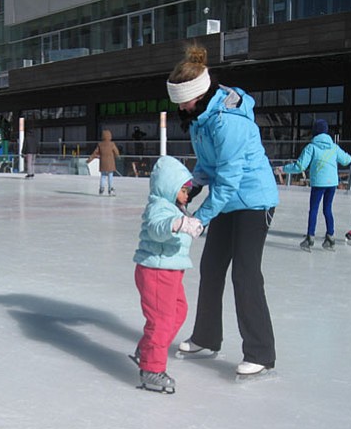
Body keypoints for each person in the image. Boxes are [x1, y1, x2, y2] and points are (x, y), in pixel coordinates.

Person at [167, 44, 279, 377]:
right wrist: (192, 186)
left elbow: (229, 181)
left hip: (253, 201)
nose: (180, 107)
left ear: (198, 94)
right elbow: (207, 164)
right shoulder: (201, 117)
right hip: (228, 201)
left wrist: (198, 219)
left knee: (245, 275)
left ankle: (260, 352)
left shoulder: (227, 122)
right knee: (211, 268)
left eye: (182, 101)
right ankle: (206, 337)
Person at [132, 156, 202, 393]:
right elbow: (157, 228)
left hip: (169, 271)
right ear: (169, 187)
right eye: (183, 190)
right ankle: (152, 368)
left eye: (188, 190)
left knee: (178, 311)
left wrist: (188, 223)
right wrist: (178, 224)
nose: (187, 195)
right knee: (161, 320)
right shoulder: (159, 206)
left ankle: (147, 349)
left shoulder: (173, 207)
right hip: (157, 271)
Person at [277, 119, 351, 251]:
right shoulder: (334, 147)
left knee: (314, 209)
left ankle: (310, 237)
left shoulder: (311, 147)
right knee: (327, 209)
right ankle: (330, 236)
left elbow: (300, 166)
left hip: (318, 183)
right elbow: (346, 160)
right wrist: (347, 156)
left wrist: (284, 169)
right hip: (332, 184)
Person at [87, 129, 120, 195]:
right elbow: (116, 151)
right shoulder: (112, 144)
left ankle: (101, 188)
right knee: (110, 175)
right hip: (110, 163)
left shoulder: (100, 144)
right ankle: (110, 189)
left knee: (103, 176)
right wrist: (118, 156)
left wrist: (90, 159)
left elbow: (95, 153)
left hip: (103, 163)